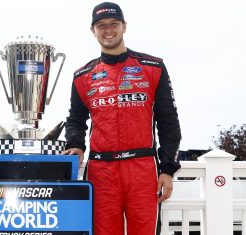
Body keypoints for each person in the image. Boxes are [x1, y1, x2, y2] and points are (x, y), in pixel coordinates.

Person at [63, 2, 181, 235]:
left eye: (114, 24)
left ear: (124, 26)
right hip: (101, 172)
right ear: (92, 30)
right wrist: (75, 145)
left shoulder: (153, 67)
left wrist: (167, 169)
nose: (108, 30)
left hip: (142, 170)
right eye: (101, 25)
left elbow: (168, 121)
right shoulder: (82, 76)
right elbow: (75, 119)